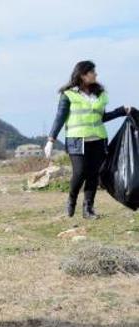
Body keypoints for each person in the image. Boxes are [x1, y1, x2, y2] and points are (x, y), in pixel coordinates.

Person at [46, 60, 133, 219]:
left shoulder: (99, 94)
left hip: (98, 139)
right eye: (92, 71)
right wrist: (51, 139)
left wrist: (122, 111)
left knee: (93, 174)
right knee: (79, 173)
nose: (96, 74)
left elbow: (102, 117)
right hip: (76, 140)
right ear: (82, 74)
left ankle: (88, 209)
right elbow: (60, 117)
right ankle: (72, 198)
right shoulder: (69, 95)